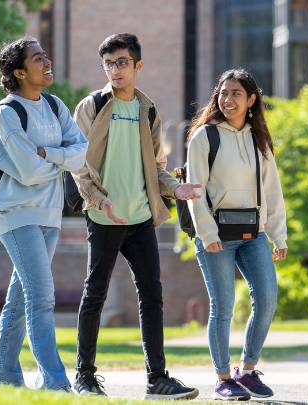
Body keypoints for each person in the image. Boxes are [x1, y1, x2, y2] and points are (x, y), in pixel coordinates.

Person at [70, 33, 201, 400]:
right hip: (104, 217)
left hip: (141, 218)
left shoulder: (149, 111)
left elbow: (157, 168)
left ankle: (157, 378)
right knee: (94, 295)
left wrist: (177, 189)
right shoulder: (92, 106)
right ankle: (85, 377)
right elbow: (77, 166)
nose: (115, 70)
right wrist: (97, 201)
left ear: (137, 65)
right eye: (109, 64)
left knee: (152, 296)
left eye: (122, 62)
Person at [0, 36, 88, 391]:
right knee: (41, 297)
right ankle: (55, 382)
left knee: (18, 302)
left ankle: (3, 379)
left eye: (46, 56)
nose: (47, 63)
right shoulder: (7, 113)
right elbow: (27, 172)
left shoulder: (55, 105)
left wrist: (51, 155)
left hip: (49, 214)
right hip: (17, 214)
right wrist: (59, 159)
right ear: (19, 72)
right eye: (38, 59)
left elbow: (82, 152)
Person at [186, 68, 288, 400]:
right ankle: (221, 378)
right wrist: (206, 231)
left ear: (251, 100)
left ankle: (246, 371)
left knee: (268, 299)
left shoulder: (259, 140)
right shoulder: (205, 137)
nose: (228, 100)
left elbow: (272, 190)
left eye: (236, 94)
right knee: (223, 306)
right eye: (223, 93)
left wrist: (278, 234)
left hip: (254, 234)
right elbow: (195, 191)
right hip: (216, 235)